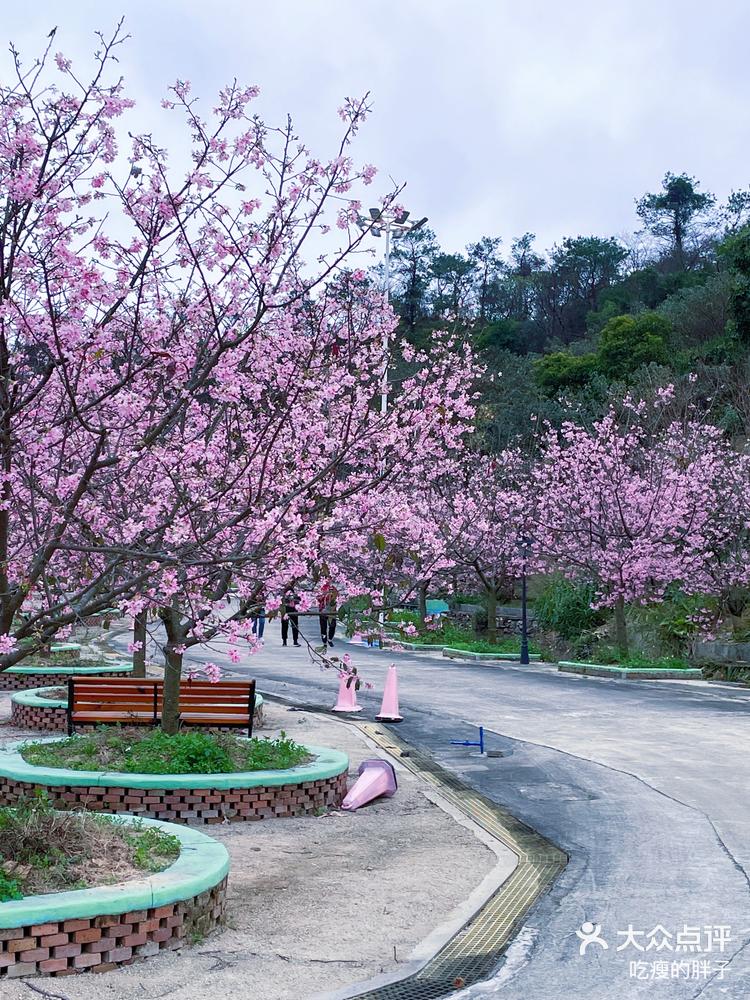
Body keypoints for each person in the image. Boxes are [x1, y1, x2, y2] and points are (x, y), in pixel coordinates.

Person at [318, 583, 338, 647]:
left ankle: (330, 639)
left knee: (332, 625)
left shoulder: (333, 588)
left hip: (332, 611)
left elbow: (337, 596)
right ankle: (324, 642)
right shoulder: (321, 588)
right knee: (323, 627)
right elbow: (318, 598)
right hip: (322, 611)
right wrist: (324, 595)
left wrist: (333, 594)